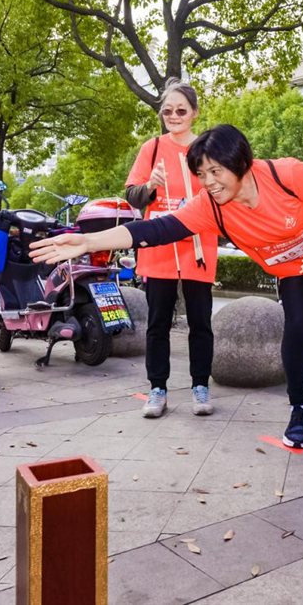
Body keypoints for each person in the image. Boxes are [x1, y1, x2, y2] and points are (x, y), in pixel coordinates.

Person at [32, 124, 303, 450]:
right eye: (202, 174)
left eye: (216, 171)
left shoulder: (283, 173)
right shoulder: (211, 206)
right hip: (294, 265)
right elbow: (157, 228)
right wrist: (88, 242)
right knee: (296, 330)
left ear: (242, 164)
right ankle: (299, 410)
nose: (209, 182)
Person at [124, 80, 218, 418]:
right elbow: (131, 194)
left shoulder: (207, 148)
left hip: (197, 246)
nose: (174, 116)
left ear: (194, 113)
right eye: (167, 111)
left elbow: (223, 190)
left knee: (200, 322)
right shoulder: (151, 148)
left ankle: (200, 385)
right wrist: (151, 186)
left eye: (181, 110)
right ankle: (158, 388)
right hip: (159, 247)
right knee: (157, 323)